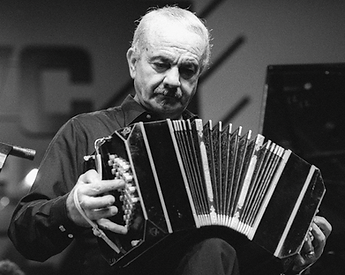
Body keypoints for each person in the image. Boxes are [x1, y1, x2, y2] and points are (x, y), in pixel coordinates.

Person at [8, 6, 331, 275]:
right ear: (134, 61)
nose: (173, 81)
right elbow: (25, 235)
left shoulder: (214, 148)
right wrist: (69, 209)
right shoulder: (85, 131)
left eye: (188, 70)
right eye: (161, 64)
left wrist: (291, 260)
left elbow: (241, 257)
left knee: (214, 249)